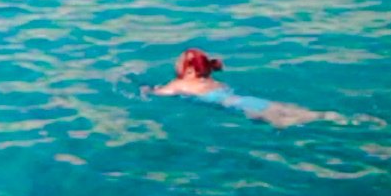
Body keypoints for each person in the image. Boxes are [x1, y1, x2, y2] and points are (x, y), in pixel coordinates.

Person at [146, 47, 346, 128]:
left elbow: (160, 93)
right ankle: (337, 117)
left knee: (288, 124)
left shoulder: (180, 84)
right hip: (251, 101)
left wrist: (146, 89)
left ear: (189, 69)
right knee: (307, 115)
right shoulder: (216, 82)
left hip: (244, 108)